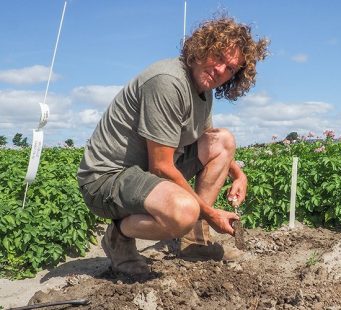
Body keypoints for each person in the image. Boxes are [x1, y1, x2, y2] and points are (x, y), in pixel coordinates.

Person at [77, 16, 269, 274]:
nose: (221, 69)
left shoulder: (204, 90)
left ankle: (196, 242)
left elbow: (207, 140)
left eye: (231, 69)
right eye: (219, 56)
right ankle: (118, 235)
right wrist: (210, 214)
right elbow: (161, 167)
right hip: (108, 178)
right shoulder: (168, 81)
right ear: (203, 47)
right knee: (184, 212)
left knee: (222, 141)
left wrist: (239, 174)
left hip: (142, 173)